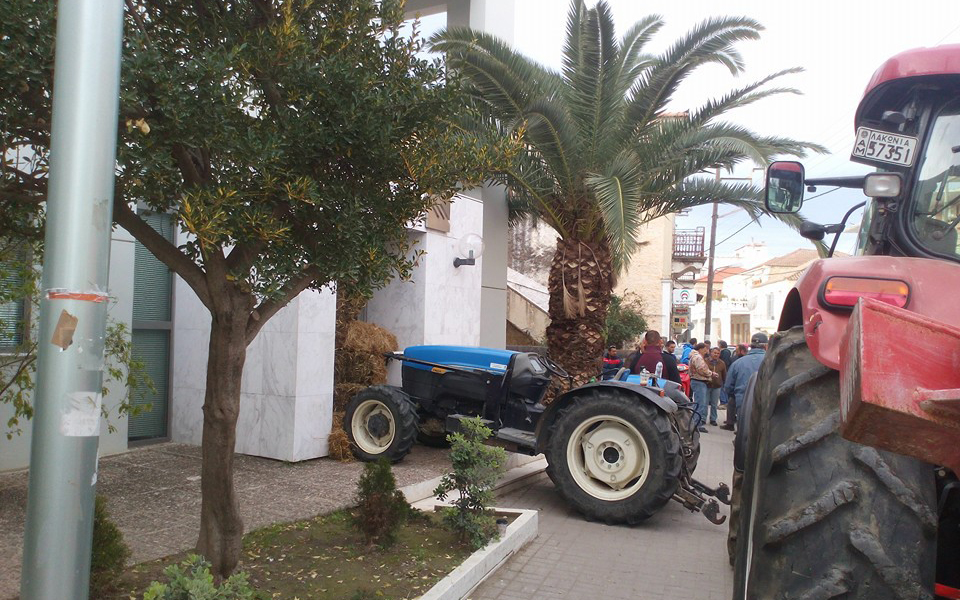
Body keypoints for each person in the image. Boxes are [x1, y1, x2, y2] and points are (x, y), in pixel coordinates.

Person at [721, 333, 768, 431]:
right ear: (766, 346)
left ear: (751, 346)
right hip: (765, 402)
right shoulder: (771, 362)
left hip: (742, 401)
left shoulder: (738, 363)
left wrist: (735, 396)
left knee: (743, 431)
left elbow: (728, 386)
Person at [687, 342, 712, 432]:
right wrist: (711, 373)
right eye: (705, 349)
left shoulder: (695, 356)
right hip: (699, 381)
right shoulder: (698, 357)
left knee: (698, 403)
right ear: (701, 349)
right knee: (700, 403)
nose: (707, 351)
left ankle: (694, 422)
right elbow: (701, 369)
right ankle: (696, 424)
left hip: (696, 381)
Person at [706, 347, 727, 426]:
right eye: (715, 353)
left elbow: (724, 374)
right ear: (711, 353)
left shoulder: (722, 363)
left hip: (717, 386)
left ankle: (713, 419)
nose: (716, 355)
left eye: (718, 353)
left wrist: (724, 383)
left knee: (714, 404)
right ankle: (703, 418)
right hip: (707, 385)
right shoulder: (706, 361)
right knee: (705, 403)